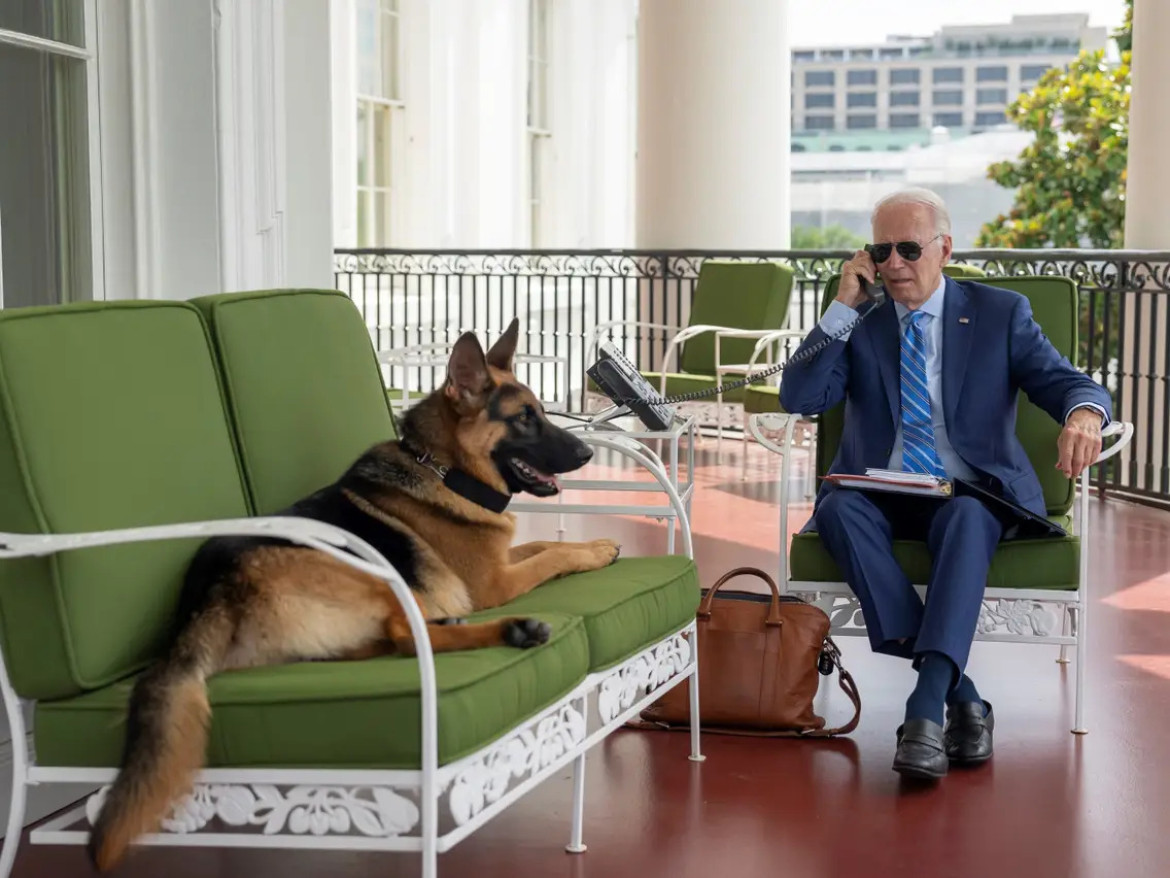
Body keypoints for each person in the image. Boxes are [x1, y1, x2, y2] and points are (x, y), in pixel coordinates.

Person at [778, 188, 1111, 781]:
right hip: (879, 491)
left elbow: (1066, 382)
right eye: (881, 250)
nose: (895, 263)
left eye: (909, 247)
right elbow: (801, 397)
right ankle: (963, 700)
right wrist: (841, 304)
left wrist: (1085, 413)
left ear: (945, 249)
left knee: (967, 516)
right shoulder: (862, 323)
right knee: (838, 511)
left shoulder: (998, 313)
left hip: (968, 491)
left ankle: (924, 705)